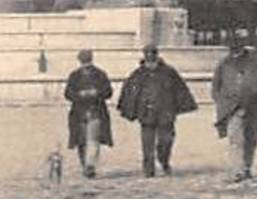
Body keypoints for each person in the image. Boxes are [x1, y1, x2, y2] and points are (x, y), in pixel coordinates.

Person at [117, 44, 198, 177]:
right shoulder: (138, 74)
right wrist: (129, 109)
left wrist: (182, 107)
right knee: (147, 143)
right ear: (144, 56)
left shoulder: (169, 72)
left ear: (157, 55)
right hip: (146, 113)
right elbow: (129, 92)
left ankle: (164, 160)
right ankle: (148, 168)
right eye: (147, 55)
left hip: (165, 113)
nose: (150, 57)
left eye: (153, 54)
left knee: (166, 141)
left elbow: (180, 90)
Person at [211, 34, 257, 183]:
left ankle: (247, 167)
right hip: (232, 108)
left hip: (254, 106)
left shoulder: (255, 60)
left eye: (237, 49)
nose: (235, 52)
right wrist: (221, 102)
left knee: (251, 138)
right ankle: (238, 170)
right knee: (235, 138)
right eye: (232, 49)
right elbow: (215, 85)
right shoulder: (224, 63)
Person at [63, 48, 114, 179]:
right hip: (81, 112)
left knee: (91, 139)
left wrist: (95, 93)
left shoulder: (96, 74)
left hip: (93, 111)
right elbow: (68, 94)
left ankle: (89, 165)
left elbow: (107, 91)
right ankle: (87, 164)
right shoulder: (77, 75)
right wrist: (81, 94)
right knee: (85, 140)